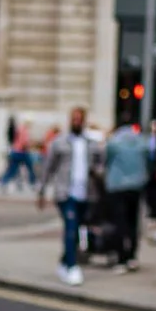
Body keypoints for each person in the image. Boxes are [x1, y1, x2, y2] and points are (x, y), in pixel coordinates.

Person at [37, 105, 101, 286]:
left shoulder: (91, 144)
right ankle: (72, 267)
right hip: (65, 193)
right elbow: (48, 168)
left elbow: (100, 165)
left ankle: (64, 261)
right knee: (71, 228)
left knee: (77, 228)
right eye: (74, 119)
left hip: (86, 194)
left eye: (79, 119)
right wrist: (41, 190)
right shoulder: (59, 142)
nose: (76, 122)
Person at [102, 115, 152, 271]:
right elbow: (148, 160)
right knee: (133, 222)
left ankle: (121, 257)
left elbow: (106, 162)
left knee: (119, 222)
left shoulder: (114, 142)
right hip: (136, 185)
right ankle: (132, 255)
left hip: (117, 186)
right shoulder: (142, 141)